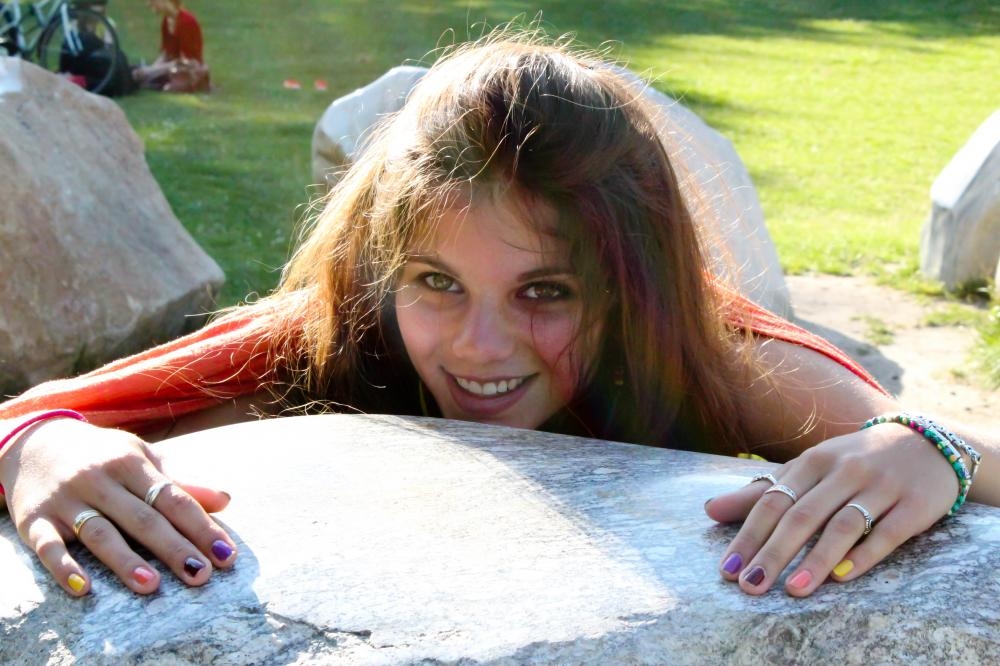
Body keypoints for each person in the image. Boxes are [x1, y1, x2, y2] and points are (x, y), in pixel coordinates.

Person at [0, 31, 995, 601]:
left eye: (545, 292)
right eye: (436, 282)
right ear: (381, 267)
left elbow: (935, 445)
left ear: (630, 287)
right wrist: (39, 447)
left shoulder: (710, 355)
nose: (481, 346)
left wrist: (924, 449)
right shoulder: (333, 327)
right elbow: (30, 421)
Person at [131, 0, 209, 93]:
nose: (149, 4)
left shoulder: (186, 22)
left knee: (151, 79)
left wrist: (150, 71)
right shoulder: (166, 21)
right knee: (142, 76)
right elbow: (166, 53)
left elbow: (186, 62)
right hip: (172, 66)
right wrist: (152, 69)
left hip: (188, 69)